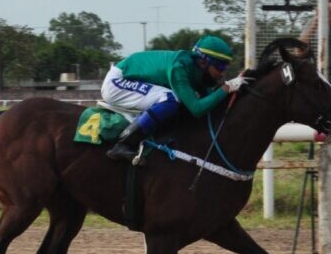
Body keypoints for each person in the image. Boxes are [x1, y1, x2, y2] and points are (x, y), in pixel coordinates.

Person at [101, 35, 251, 161]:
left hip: (132, 80)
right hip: (116, 83)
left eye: (225, 67)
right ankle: (123, 144)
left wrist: (232, 90)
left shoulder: (196, 70)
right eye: (220, 67)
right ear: (204, 61)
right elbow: (197, 109)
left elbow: (209, 101)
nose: (222, 73)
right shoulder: (179, 68)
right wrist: (226, 87)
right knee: (170, 99)